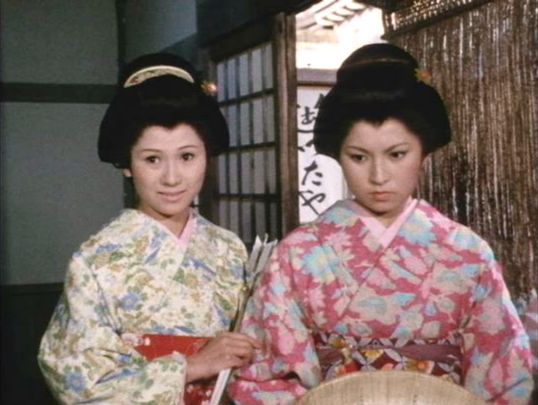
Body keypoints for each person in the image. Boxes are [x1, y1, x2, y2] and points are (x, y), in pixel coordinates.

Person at [228, 43, 533, 404]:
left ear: (424, 152)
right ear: (338, 155)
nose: (378, 176)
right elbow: (266, 375)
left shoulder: (466, 253)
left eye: (397, 154)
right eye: (359, 157)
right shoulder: (299, 252)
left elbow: (504, 376)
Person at [38, 53, 261, 404]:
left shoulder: (229, 248)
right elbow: (76, 382)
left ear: (207, 156)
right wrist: (191, 366)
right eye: (152, 159)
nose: (172, 178)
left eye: (187, 157)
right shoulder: (96, 260)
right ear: (127, 163)